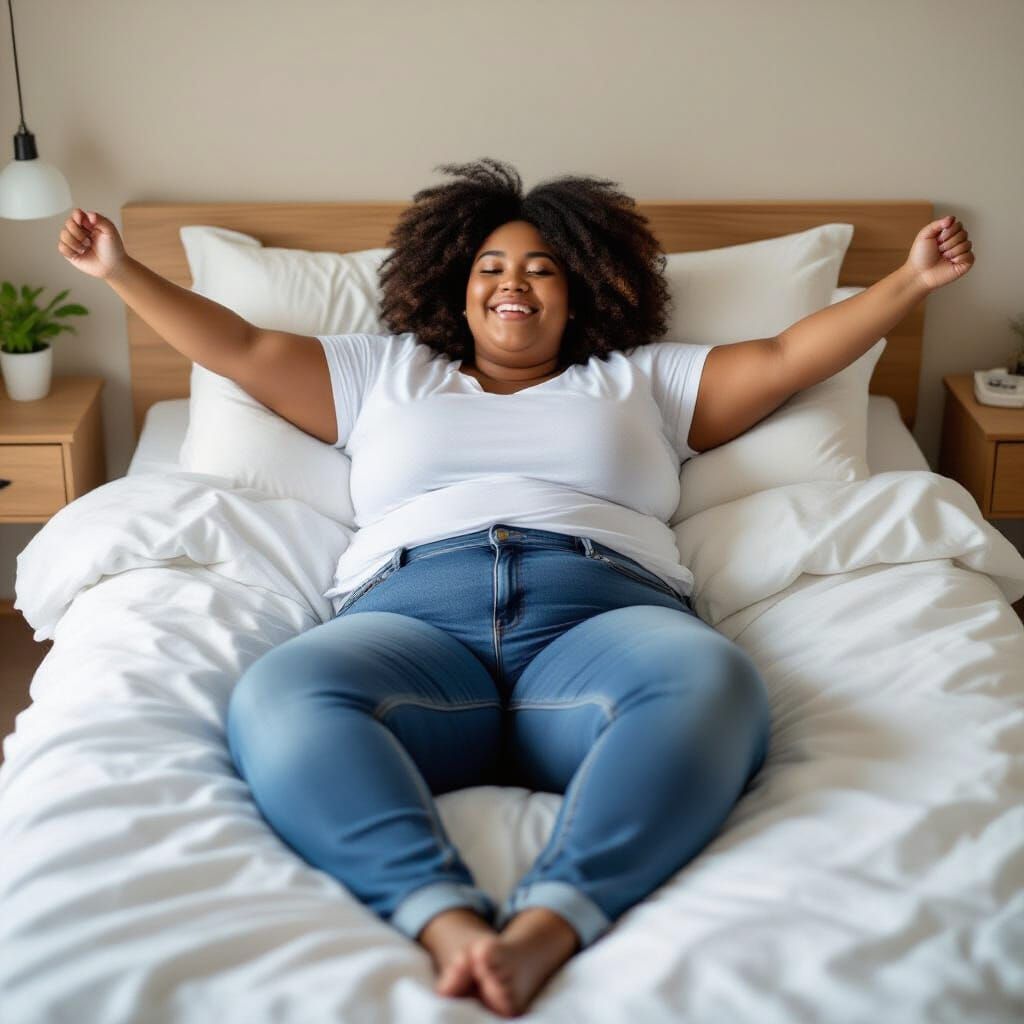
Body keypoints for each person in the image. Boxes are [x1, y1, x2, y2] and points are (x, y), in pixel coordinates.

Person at [58, 158, 973, 1018]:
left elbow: (781, 357)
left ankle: (556, 918)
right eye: (492, 264)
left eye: (541, 267)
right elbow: (242, 345)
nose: (514, 282)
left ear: (579, 288)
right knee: (282, 691)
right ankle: (439, 913)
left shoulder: (640, 380)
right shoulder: (385, 372)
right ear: (455, 281)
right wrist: (119, 270)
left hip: (604, 615)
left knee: (714, 681)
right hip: (410, 617)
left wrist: (909, 283)